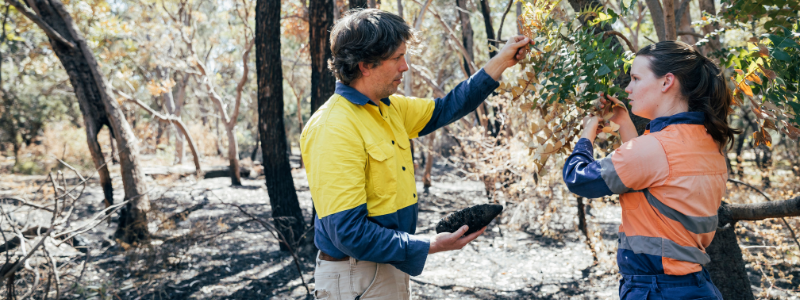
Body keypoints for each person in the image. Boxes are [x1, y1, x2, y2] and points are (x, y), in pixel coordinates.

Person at [300, 9, 532, 300]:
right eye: (397, 58)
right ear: (365, 65)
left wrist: (502, 61)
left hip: (385, 267)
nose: (405, 67)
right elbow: (349, 233)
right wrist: (429, 244)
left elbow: (447, 107)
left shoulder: (389, 108)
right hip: (354, 278)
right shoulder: (333, 127)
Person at [563, 40, 738, 299]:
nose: (628, 88)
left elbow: (577, 178)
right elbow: (653, 179)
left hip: (656, 290)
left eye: (635, 78)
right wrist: (623, 121)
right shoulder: (707, 141)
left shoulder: (656, 148)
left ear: (667, 82)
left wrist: (587, 133)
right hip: (695, 286)